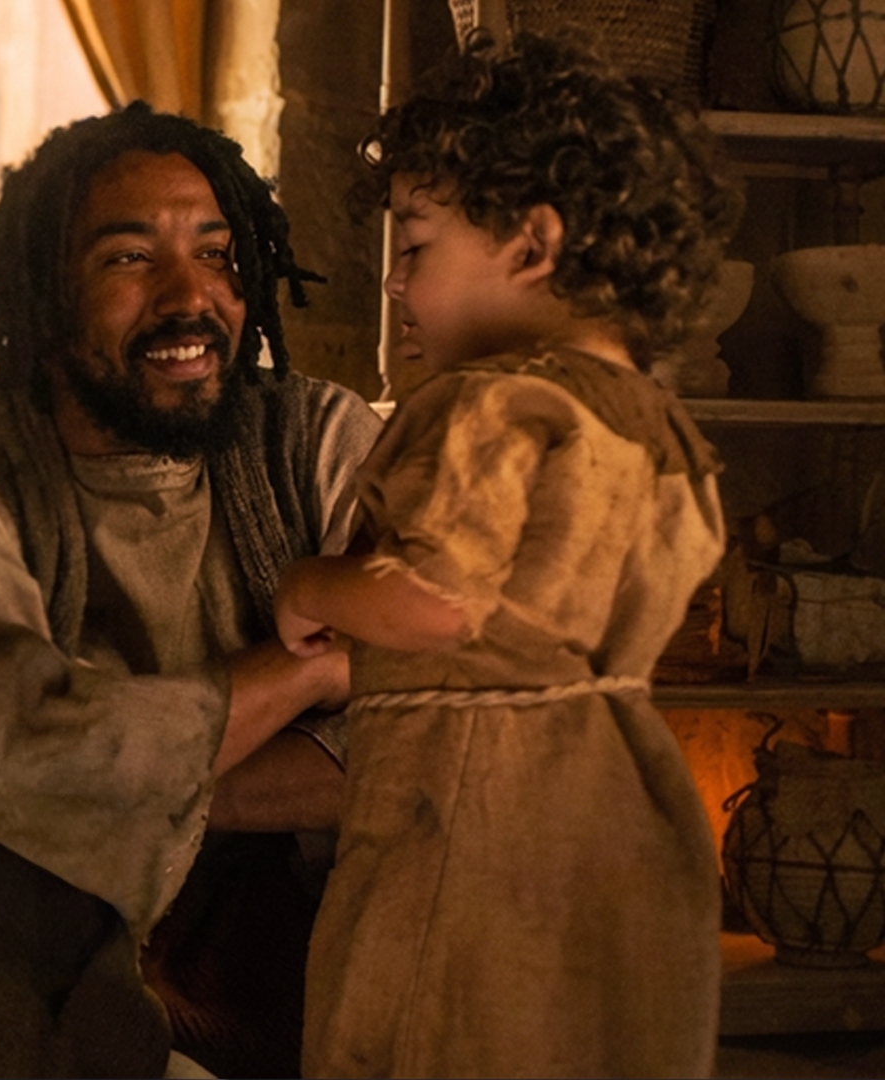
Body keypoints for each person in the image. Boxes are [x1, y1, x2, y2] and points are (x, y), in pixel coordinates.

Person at [0, 102, 384, 1078]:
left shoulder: (321, 445)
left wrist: (116, 788)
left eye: (216, 255)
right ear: (49, 294)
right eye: (129, 259)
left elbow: (413, 738)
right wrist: (304, 678)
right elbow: (5, 752)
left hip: (270, 922)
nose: (189, 296)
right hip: (16, 925)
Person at [271, 32, 742, 1078]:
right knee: (582, 1029)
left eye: (418, 247)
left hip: (472, 815)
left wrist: (315, 588)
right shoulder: (659, 427)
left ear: (532, 245)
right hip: (615, 800)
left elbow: (437, 598)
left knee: (431, 1027)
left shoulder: (493, 405)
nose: (395, 285)